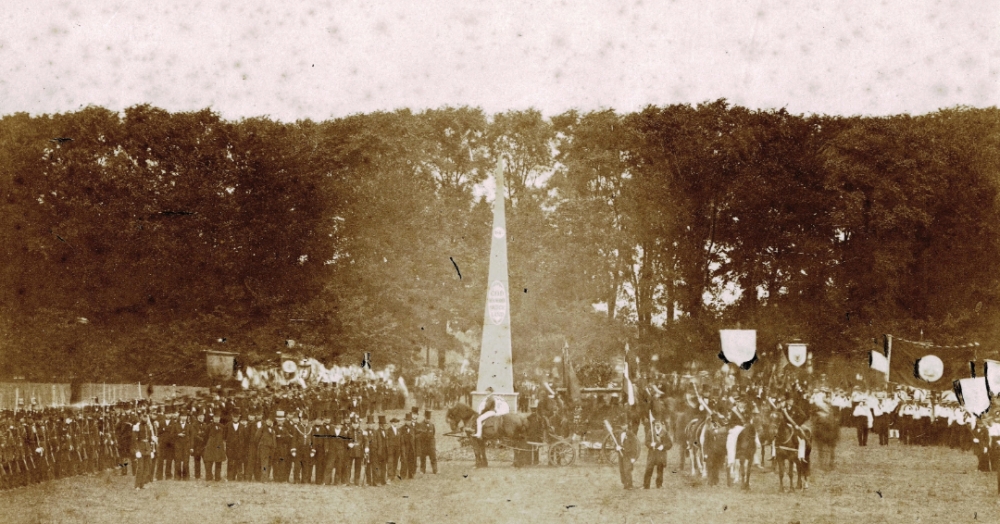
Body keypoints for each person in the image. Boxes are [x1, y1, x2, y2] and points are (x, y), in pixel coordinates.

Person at [643, 419, 669, 489]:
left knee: (660, 470)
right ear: (654, 424)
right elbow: (646, 442)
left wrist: (663, 446)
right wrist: (651, 444)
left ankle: (659, 485)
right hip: (652, 453)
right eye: (656, 423)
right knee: (649, 469)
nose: (657, 424)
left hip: (661, 454)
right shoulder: (650, 432)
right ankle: (646, 485)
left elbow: (669, 444)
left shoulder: (665, 432)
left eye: (659, 423)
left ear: (661, 423)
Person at [203, 411, 226, 482]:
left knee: (218, 462)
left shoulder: (222, 427)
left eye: (218, 418)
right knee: (209, 461)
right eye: (215, 418)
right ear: (213, 418)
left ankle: (217, 477)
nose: (217, 419)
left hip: (219, 447)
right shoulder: (209, 426)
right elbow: (205, 437)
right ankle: (209, 477)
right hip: (210, 446)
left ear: (220, 418)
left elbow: (224, 437)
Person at [616, 421, 638, 490]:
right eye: (622, 425)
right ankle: (625, 484)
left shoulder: (631, 434)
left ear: (627, 425)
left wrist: (633, 457)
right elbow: (616, 443)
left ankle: (630, 485)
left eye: (624, 425)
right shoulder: (619, 433)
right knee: (621, 470)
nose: (623, 426)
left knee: (627, 469)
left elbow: (634, 446)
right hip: (621, 454)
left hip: (628, 454)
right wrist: (617, 447)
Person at [416, 410, 437, 474]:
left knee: (433, 457)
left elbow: (433, 434)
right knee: (423, 458)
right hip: (423, 444)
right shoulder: (420, 424)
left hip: (430, 444)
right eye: (427, 418)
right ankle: (422, 470)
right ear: (424, 417)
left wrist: (433, 445)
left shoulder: (432, 425)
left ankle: (435, 470)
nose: (428, 420)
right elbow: (418, 435)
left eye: (429, 419)